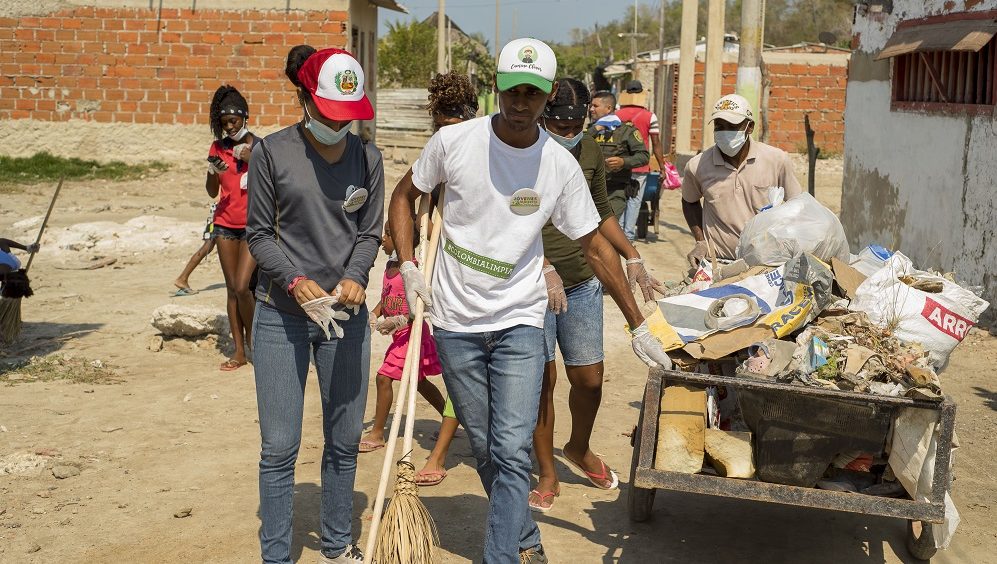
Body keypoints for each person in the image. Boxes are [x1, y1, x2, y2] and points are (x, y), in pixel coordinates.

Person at [388, 38, 672, 564]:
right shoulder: (454, 143)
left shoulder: (557, 166)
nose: (521, 103)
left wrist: (638, 324)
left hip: (519, 317)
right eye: (513, 90)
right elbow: (405, 195)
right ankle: (526, 539)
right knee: (488, 445)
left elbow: (592, 244)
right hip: (454, 320)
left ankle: (502, 556)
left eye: (533, 94)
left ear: (547, 97)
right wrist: (406, 265)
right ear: (497, 88)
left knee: (512, 447)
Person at [246, 44, 383, 564]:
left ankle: (336, 545)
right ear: (305, 98)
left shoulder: (368, 158)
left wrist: (354, 276)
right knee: (279, 448)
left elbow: (369, 233)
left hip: (345, 318)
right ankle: (277, 555)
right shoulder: (271, 153)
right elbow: (258, 234)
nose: (338, 125)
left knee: (344, 440)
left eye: (348, 117)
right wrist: (294, 280)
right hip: (282, 316)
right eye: (329, 113)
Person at [530, 78, 666, 513]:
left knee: (588, 380)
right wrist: (541, 266)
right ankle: (548, 472)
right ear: (543, 115)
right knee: (542, 383)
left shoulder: (588, 148)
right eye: (557, 124)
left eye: (574, 125)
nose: (566, 133)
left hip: (582, 282)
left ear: (586, 117)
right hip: (531, 287)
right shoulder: (525, 148)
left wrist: (631, 255)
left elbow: (601, 209)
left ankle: (578, 447)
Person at [411, 71, 480, 488]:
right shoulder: (440, 146)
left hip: (485, 275)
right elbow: (419, 195)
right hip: (446, 272)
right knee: (458, 365)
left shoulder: (489, 144)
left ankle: (450, 446)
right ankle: (451, 441)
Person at [681, 93, 803, 266]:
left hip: (764, 264)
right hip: (718, 263)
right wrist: (700, 241)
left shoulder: (777, 160)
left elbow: (797, 206)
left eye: (732, 126)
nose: (725, 132)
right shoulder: (697, 166)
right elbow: (689, 201)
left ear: (749, 127)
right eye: (719, 126)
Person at [359, 221, 447, 453]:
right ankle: (450, 418)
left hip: (412, 334)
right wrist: (375, 313)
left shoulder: (415, 270)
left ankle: (377, 433)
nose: (382, 240)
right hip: (398, 337)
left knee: (383, 378)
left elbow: (420, 305)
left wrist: (399, 320)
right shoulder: (389, 267)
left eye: (387, 234)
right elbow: (387, 297)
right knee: (419, 383)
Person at [205, 85, 258, 371]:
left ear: (245, 117)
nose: (230, 127)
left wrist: (254, 161)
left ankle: (256, 344)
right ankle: (239, 351)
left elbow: (274, 185)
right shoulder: (218, 148)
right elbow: (212, 192)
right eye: (225, 123)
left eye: (234, 121)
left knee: (244, 286)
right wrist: (214, 172)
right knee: (232, 290)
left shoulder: (259, 147)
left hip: (253, 227)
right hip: (225, 225)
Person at [588, 90, 650, 242]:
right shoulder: (591, 130)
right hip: (589, 191)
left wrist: (624, 162)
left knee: (606, 232)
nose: (591, 109)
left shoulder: (626, 131)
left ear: (608, 108)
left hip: (614, 191)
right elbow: (575, 145)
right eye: (591, 106)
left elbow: (643, 156)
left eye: (595, 106)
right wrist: (595, 130)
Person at [615, 80, 670, 239]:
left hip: (618, 165)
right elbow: (656, 143)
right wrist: (662, 167)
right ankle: (629, 236)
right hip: (640, 166)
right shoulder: (649, 116)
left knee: (619, 199)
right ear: (641, 95)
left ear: (625, 94)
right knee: (634, 201)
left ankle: (617, 236)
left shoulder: (616, 115)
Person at [173, 203, 217, 295]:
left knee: (207, 246)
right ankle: (182, 278)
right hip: (222, 216)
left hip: (219, 214)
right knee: (207, 246)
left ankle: (183, 278)